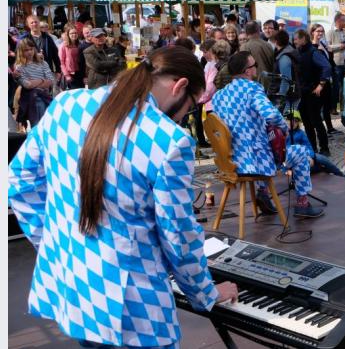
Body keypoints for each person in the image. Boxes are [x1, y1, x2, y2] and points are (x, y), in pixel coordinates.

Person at [9, 47, 239, 348]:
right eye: (190, 107)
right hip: (135, 308)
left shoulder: (65, 104)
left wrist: (52, 240)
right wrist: (206, 293)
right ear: (180, 86)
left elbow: (19, 181)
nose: (184, 117)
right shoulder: (169, 140)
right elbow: (178, 236)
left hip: (74, 288)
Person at [213, 51, 324, 218]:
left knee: (262, 145)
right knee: (300, 152)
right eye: (254, 66)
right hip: (254, 163)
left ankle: (263, 192)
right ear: (248, 71)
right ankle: (302, 203)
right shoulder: (252, 89)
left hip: (231, 161)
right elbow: (271, 115)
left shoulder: (219, 96)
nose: (256, 69)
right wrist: (284, 129)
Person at [294, 29, 332, 157]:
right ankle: (312, 148)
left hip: (312, 93)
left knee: (316, 121)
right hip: (302, 93)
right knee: (307, 122)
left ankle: (325, 148)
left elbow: (327, 67)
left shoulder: (313, 52)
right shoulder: (298, 52)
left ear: (303, 39)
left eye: (296, 39)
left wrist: (321, 84)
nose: (294, 41)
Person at [285, 110, 345, 177]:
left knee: (323, 160)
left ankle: (341, 175)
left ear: (298, 123)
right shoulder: (284, 134)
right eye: (290, 120)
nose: (293, 123)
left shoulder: (301, 133)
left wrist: (310, 156)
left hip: (305, 156)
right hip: (294, 161)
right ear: (286, 121)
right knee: (311, 168)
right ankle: (323, 169)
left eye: (296, 121)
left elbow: (308, 146)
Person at [13, 37, 55, 129]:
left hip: (45, 95)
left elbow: (51, 80)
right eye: (26, 50)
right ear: (21, 52)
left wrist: (35, 82)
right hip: (30, 98)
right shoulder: (19, 67)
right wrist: (42, 80)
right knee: (38, 104)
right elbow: (27, 85)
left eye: (31, 49)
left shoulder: (43, 63)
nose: (29, 52)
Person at [240, 21, 275, 95]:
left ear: (246, 32)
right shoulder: (268, 45)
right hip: (268, 83)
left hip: (253, 86)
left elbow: (243, 69)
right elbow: (272, 64)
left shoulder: (244, 47)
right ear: (258, 30)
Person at [58, 25, 81, 89]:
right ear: (68, 35)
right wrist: (66, 75)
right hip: (70, 74)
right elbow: (61, 62)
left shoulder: (79, 44)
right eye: (71, 33)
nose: (74, 35)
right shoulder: (63, 46)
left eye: (75, 33)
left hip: (79, 73)